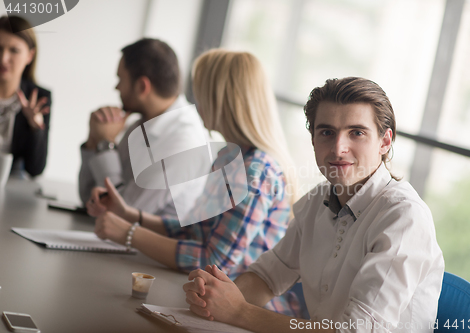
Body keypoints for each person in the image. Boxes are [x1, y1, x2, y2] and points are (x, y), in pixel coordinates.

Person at [183, 77, 445, 332]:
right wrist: (214, 299)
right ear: (313, 140)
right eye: (327, 133)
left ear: (385, 142)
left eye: (357, 133)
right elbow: (267, 276)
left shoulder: (404, 216)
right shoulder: (318, 199)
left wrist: (239, 311)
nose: (339, 148)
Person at [86, 49, 303, 317]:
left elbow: (214, 262)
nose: (194, 103)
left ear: (220, 99)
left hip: (248, 312)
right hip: (208, 302)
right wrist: (131, 215)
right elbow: (197, 231)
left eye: (200, 92)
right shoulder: (228, 157)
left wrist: (129, 233)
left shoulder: (256, 171)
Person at [78, 38, 204, 215]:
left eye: (120, 79)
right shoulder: (142, 124)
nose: (117, 87)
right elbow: (88, 198)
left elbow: (123, 212)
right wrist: (94, 141)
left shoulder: (184, 142)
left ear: (142, 86)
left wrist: (105, 144)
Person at [0, 16, 51, 177]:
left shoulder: (40, 98)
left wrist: (35, 126)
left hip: (12, 186)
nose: (3, 59)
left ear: (30, 55)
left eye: (14, 50)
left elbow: (35, 169)